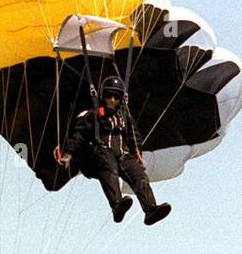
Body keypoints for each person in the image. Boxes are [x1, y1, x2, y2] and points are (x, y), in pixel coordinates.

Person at [59, 75, 171, 225]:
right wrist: (68, 154)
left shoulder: (125, 117)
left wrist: (138, 155)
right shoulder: (94, 114)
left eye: (116, 97)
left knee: (139, 175)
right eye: (109, 96)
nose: (112, 100)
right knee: (109, 167)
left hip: (122, 154)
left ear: (121, 99)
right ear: (103, 96)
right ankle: (117, 205)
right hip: (100, 153)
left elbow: (134, 138)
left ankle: (150, 209)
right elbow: (79, 135)